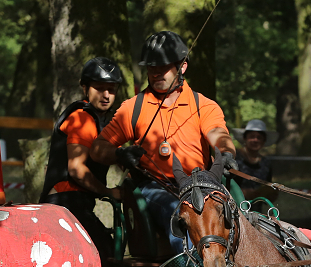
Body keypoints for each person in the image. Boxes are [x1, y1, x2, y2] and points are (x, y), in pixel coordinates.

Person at [90, 31, 237, 254]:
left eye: (164, 66)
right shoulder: (133, 108)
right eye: (151, 67)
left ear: (182, 67)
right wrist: (120, 154)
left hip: (199, 186)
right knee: (179, 214)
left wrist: (226, 152)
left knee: (237, 216)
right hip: (153, 187)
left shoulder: (203, 105)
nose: (156, 72)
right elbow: (97, 149)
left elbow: (218, 133)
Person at [40, 56, 124, 263]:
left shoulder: (102, 122)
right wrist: (109, 192)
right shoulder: (82, 118)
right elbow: (77, 169)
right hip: (63, 206)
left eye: (111, 89)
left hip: (74, 205)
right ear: (85, 88)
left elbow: (115, 153)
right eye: (99, 88)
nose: (106, 95)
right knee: (104, 255)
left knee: (106, 249)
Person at [231, 119, 276, 200]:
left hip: (256, 210)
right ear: (245, 138)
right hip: (234, 206)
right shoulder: (233, 158)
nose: (255, 140)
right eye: (251, 136)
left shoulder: (266, 164)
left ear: (264, 141)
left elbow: (268, 190)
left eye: (259, 137)